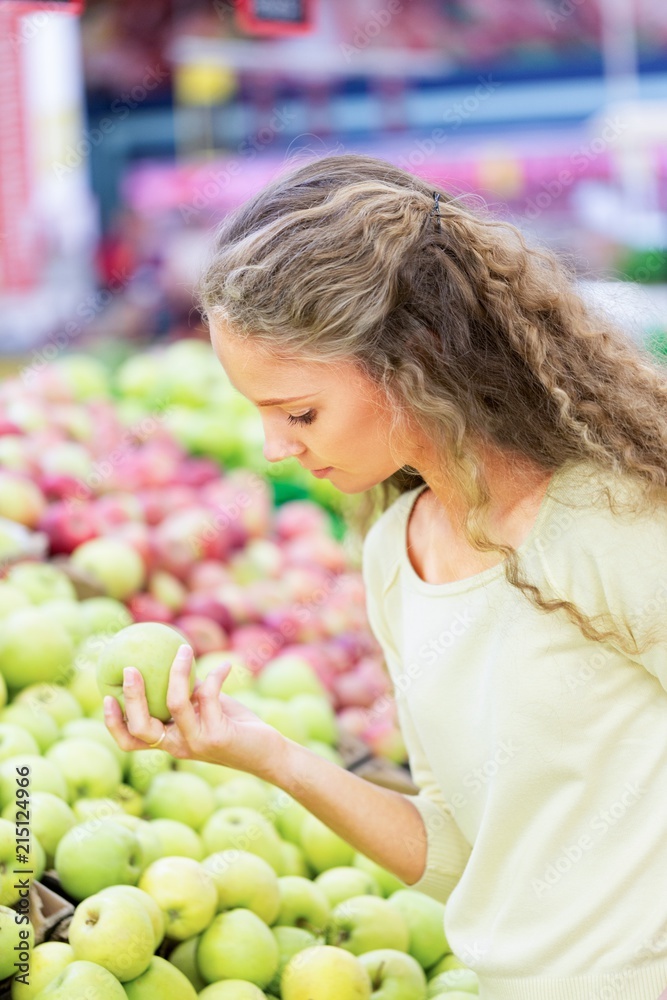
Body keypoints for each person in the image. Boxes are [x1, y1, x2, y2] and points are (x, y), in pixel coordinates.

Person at [104, 153, 667, 998]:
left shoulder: (612, 521)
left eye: (299, 412)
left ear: (416, 359)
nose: (274, 450)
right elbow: (464, 857)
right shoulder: (397, 555)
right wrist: (266, 756)